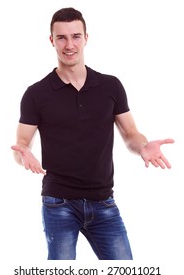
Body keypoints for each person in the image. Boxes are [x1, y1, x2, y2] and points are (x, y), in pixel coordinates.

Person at [11, 7, 174, 260]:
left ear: (86, 38)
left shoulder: (110, 86)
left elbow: (131, 134)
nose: (69, 45)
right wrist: (24, 156)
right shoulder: (36, 94)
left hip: (103, 202)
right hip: (58, 203)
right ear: (51, 40)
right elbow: (21, 144)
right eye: (62, 37)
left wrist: (143, 147)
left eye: (75, 36)